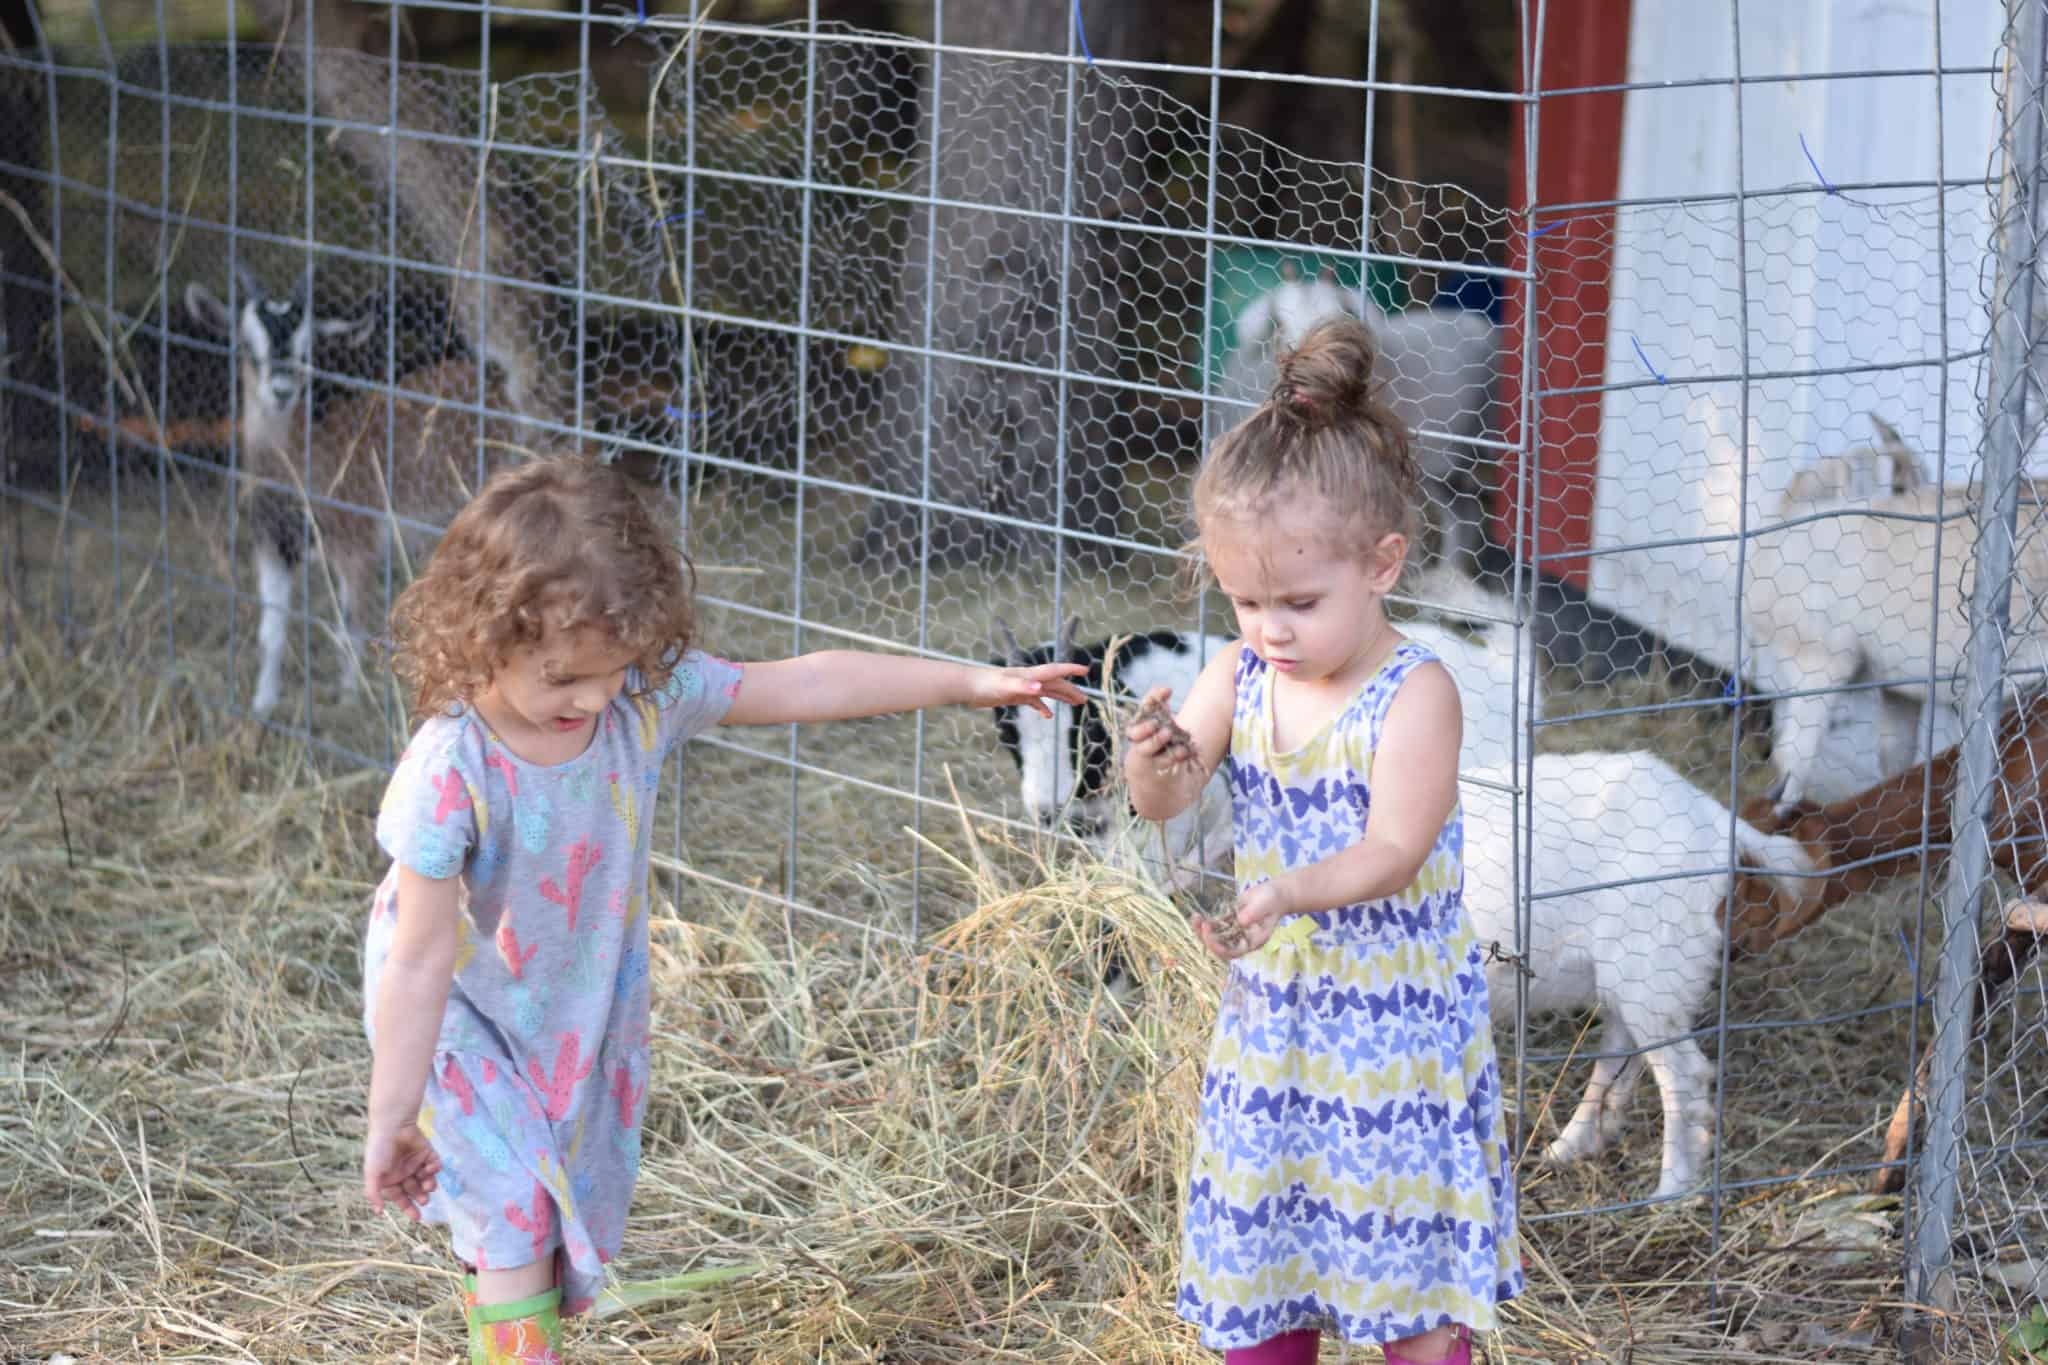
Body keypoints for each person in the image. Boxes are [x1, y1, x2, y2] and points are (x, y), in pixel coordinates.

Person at [357, 456, 1087, 1361]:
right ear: (485, 638)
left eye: (610, 670)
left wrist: (970, 683)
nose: (589, 699)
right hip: (454, 1010)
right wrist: (393, 1112)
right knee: (514, 1204)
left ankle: (509, 1316)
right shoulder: (450, 769)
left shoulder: (637, 700)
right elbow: (419, 961)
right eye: (560, 677)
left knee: (547, 1208)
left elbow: (803, 682)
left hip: (569, 1001)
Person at [1124, 316, 1522, 1365]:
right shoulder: (1237, 677)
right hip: (1276, 1026)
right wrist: (1150, 760)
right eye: (1244, 600)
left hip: (1392, 1035)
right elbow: (1165, 802)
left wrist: (1286, 891)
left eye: (1297, 601)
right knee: (1268, 1258)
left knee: (1406, 1268)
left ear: (1383, 563)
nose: (1267, 628)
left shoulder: (1415, 693)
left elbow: (1392, 848)